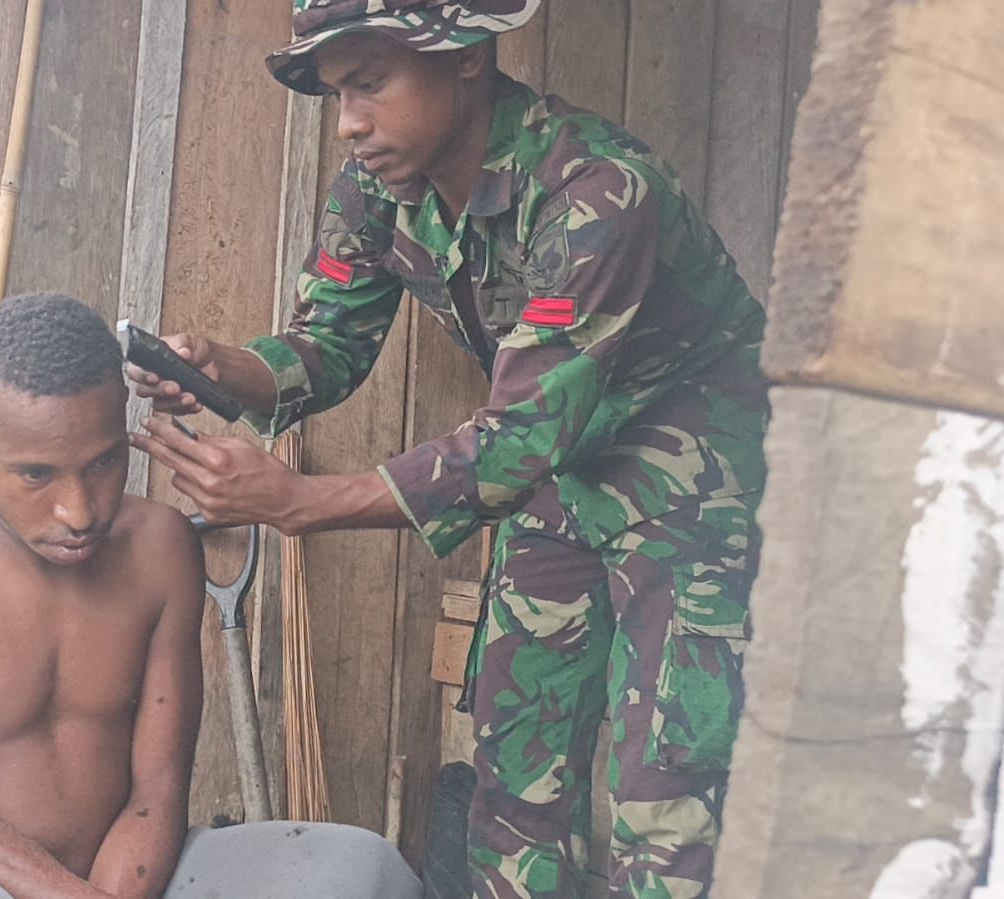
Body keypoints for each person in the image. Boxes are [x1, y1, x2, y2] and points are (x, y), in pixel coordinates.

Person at [127, 3, 768, 898]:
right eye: (336, 94)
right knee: (514, 771)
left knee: (668, 803)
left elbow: (519, 437)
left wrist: (301, 502)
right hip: (559, 470)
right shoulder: (376, 186)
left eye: (369, 83)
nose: (348, 122)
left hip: (697, 478)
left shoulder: (597, 192)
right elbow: (326, 345)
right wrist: (224, 370)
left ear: (465, 55)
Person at [0, 293, 423, 899]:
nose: (79, 512)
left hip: (127, 880)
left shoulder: (161, 547)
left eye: (103, 463)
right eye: (37, 474)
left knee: (362, 869)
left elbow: (157, 793)